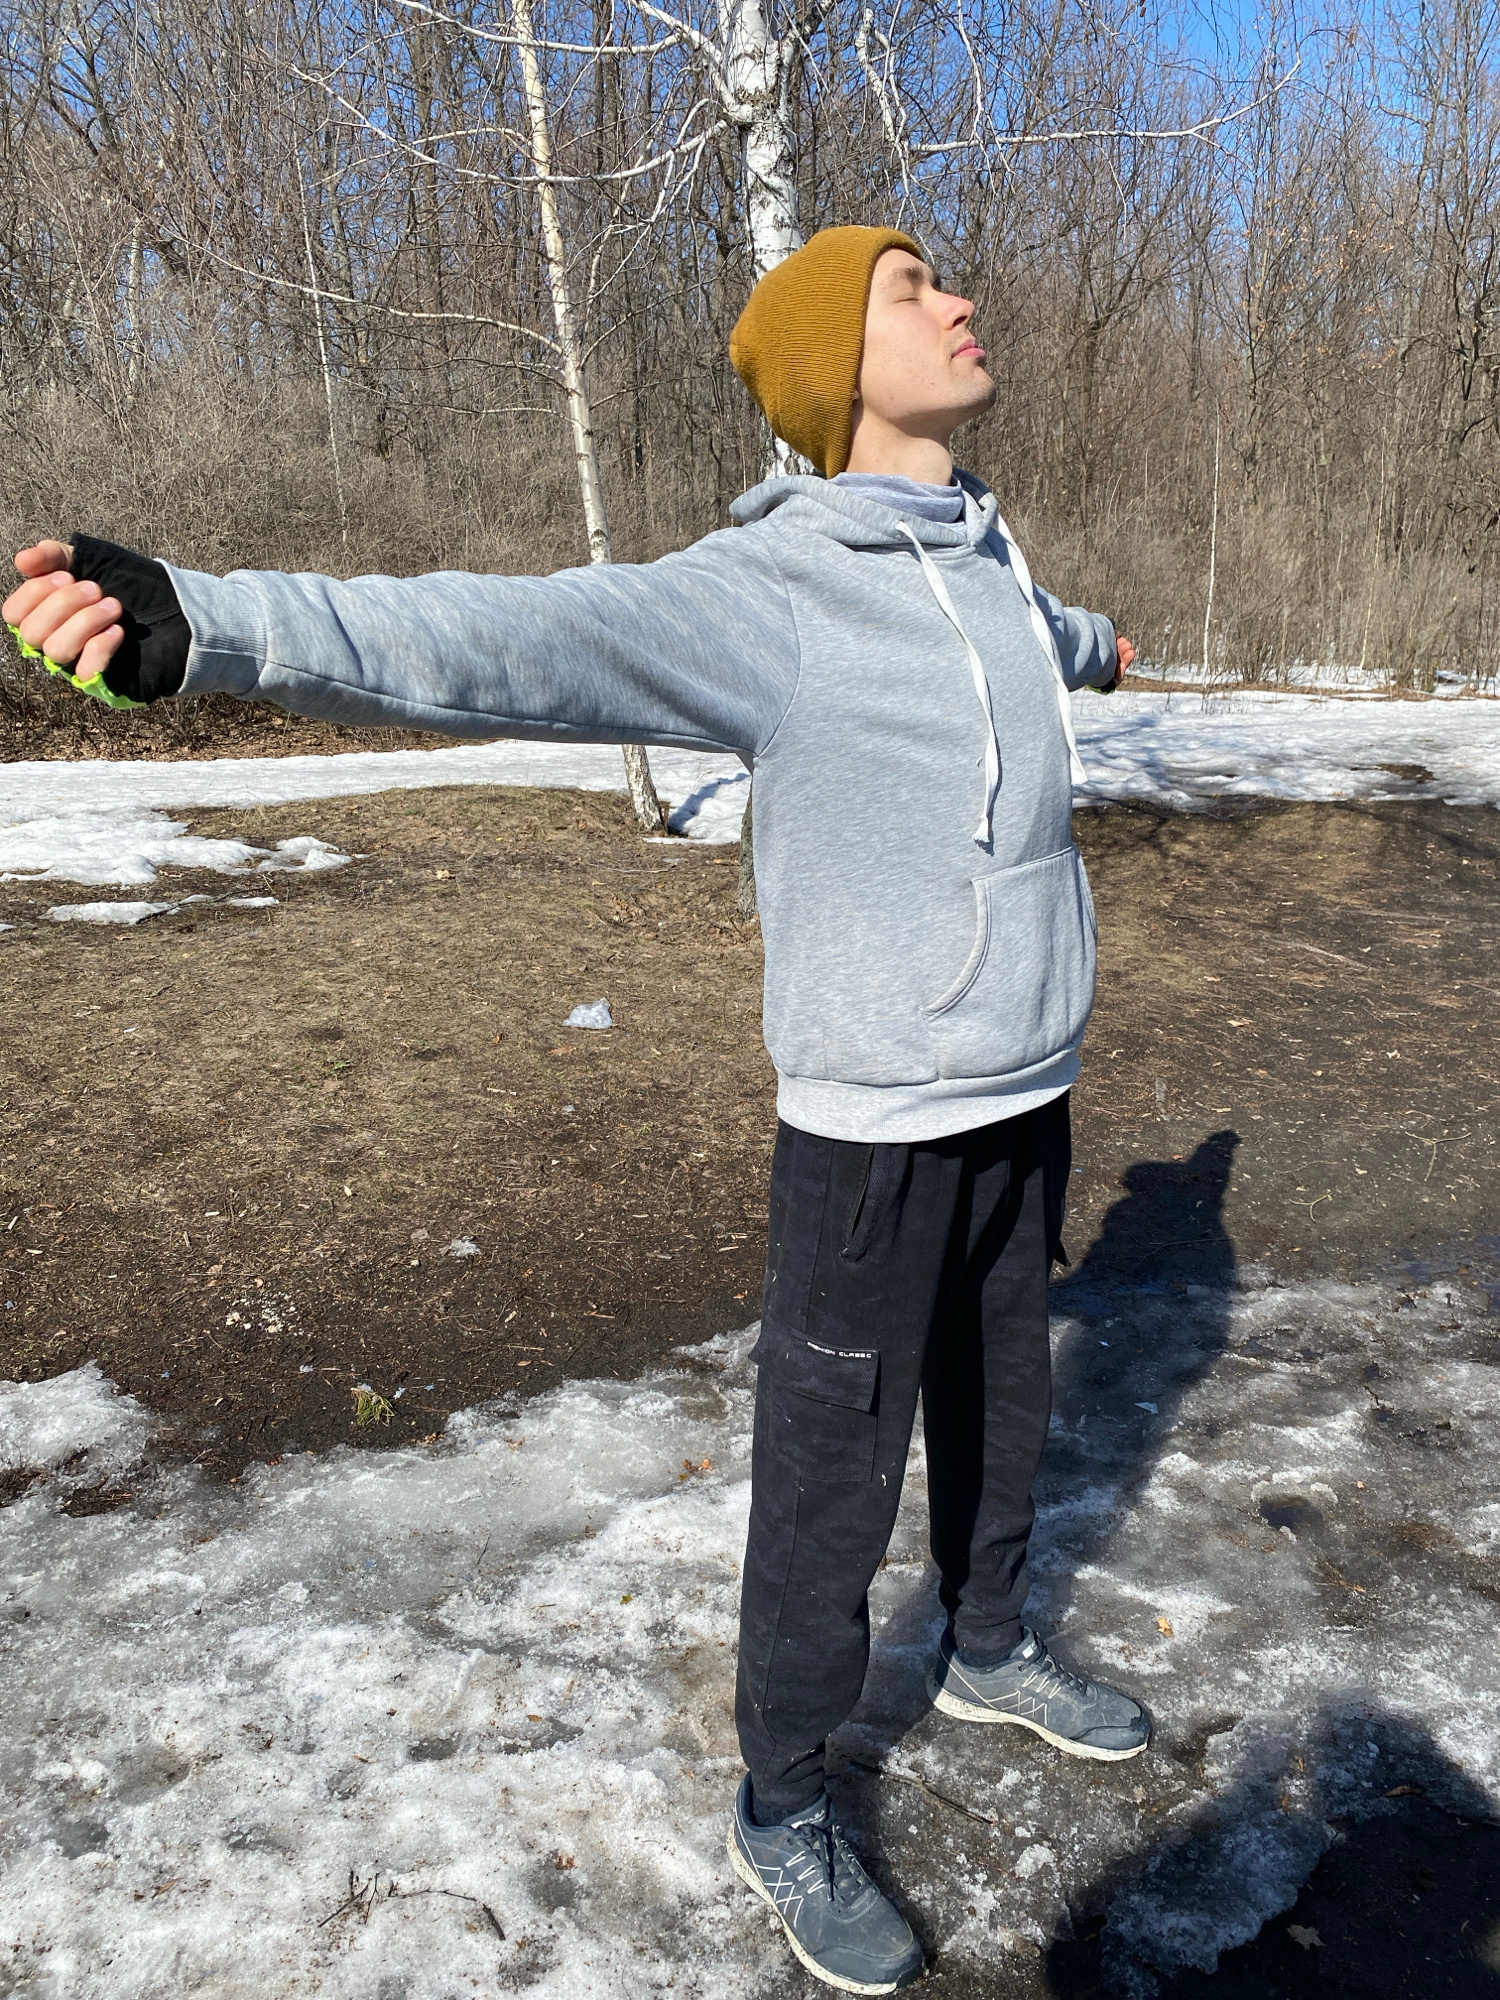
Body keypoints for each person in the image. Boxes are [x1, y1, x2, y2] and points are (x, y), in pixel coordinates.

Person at [6, 225, 1145, 1996]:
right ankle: (786, 1798)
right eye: (914, 290)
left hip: (1029, 1088)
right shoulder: (770, 595)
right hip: (872, 1128)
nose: (962, 301)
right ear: (837, 363)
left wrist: (1099, 649)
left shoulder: (986, 557)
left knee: (1008, 1398)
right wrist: (212, 624)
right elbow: (497, 635)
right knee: (831, 1487)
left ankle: (989, 1643)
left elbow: (1030, 639)